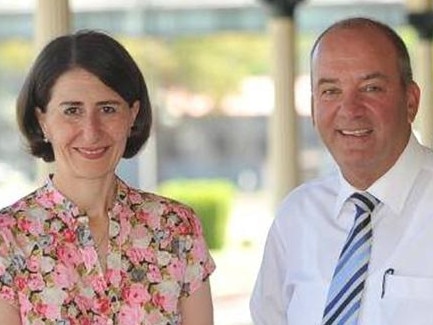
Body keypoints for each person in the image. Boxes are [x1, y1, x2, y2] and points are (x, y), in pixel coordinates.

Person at [0, 30, 215, 324]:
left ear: (132, 115)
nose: (91, 131)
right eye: (72, 110)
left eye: (108, 109)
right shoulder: (8, 239)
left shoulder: (177, 228)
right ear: (42, 121)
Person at [250, 17, 433, 324]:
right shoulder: (296, 217)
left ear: (411, 101)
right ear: (313, 109)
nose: (350, 109)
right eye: (331, 91)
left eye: (371, 88)